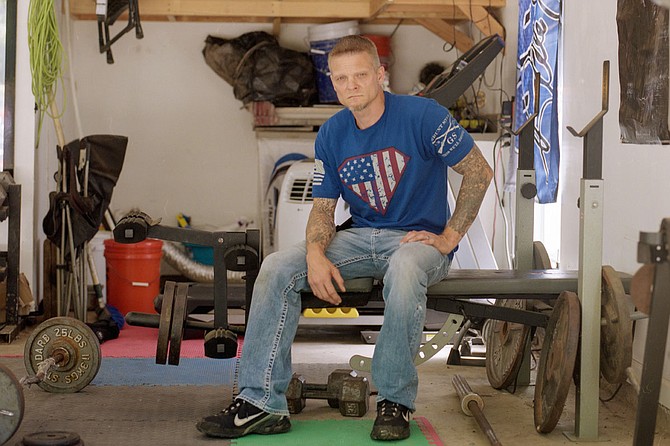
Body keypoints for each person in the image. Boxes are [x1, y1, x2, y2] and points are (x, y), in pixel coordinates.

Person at [197, 35, 493, 441]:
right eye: (341, 78)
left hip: (415, 243)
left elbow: (478, 171)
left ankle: (395, 402)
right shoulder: (332, 134)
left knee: (406, 267)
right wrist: (316, 254)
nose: (351, 85)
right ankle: (261, 403)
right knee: (277, 266)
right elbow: (323, 209)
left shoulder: (424, 116)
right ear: (333, 84)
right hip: (359, 238)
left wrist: (447, 238)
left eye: (360, 75)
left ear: (380, 75)